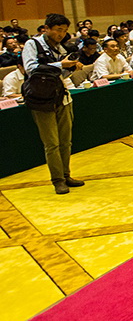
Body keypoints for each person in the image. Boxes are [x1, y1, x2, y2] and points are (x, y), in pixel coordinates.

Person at [21, 13, 84, 194]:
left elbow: (60, 74)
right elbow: (31, 69)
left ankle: (66, 175)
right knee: (52, 143)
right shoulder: (32, 45)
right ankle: (57, 180)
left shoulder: (60, 47)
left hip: (62, 97)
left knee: (66, 141)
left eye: (64, 31)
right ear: (46, 28)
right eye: (58, 30)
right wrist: (61, 65)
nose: (61, 34)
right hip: (42, 100)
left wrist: (70, 67)